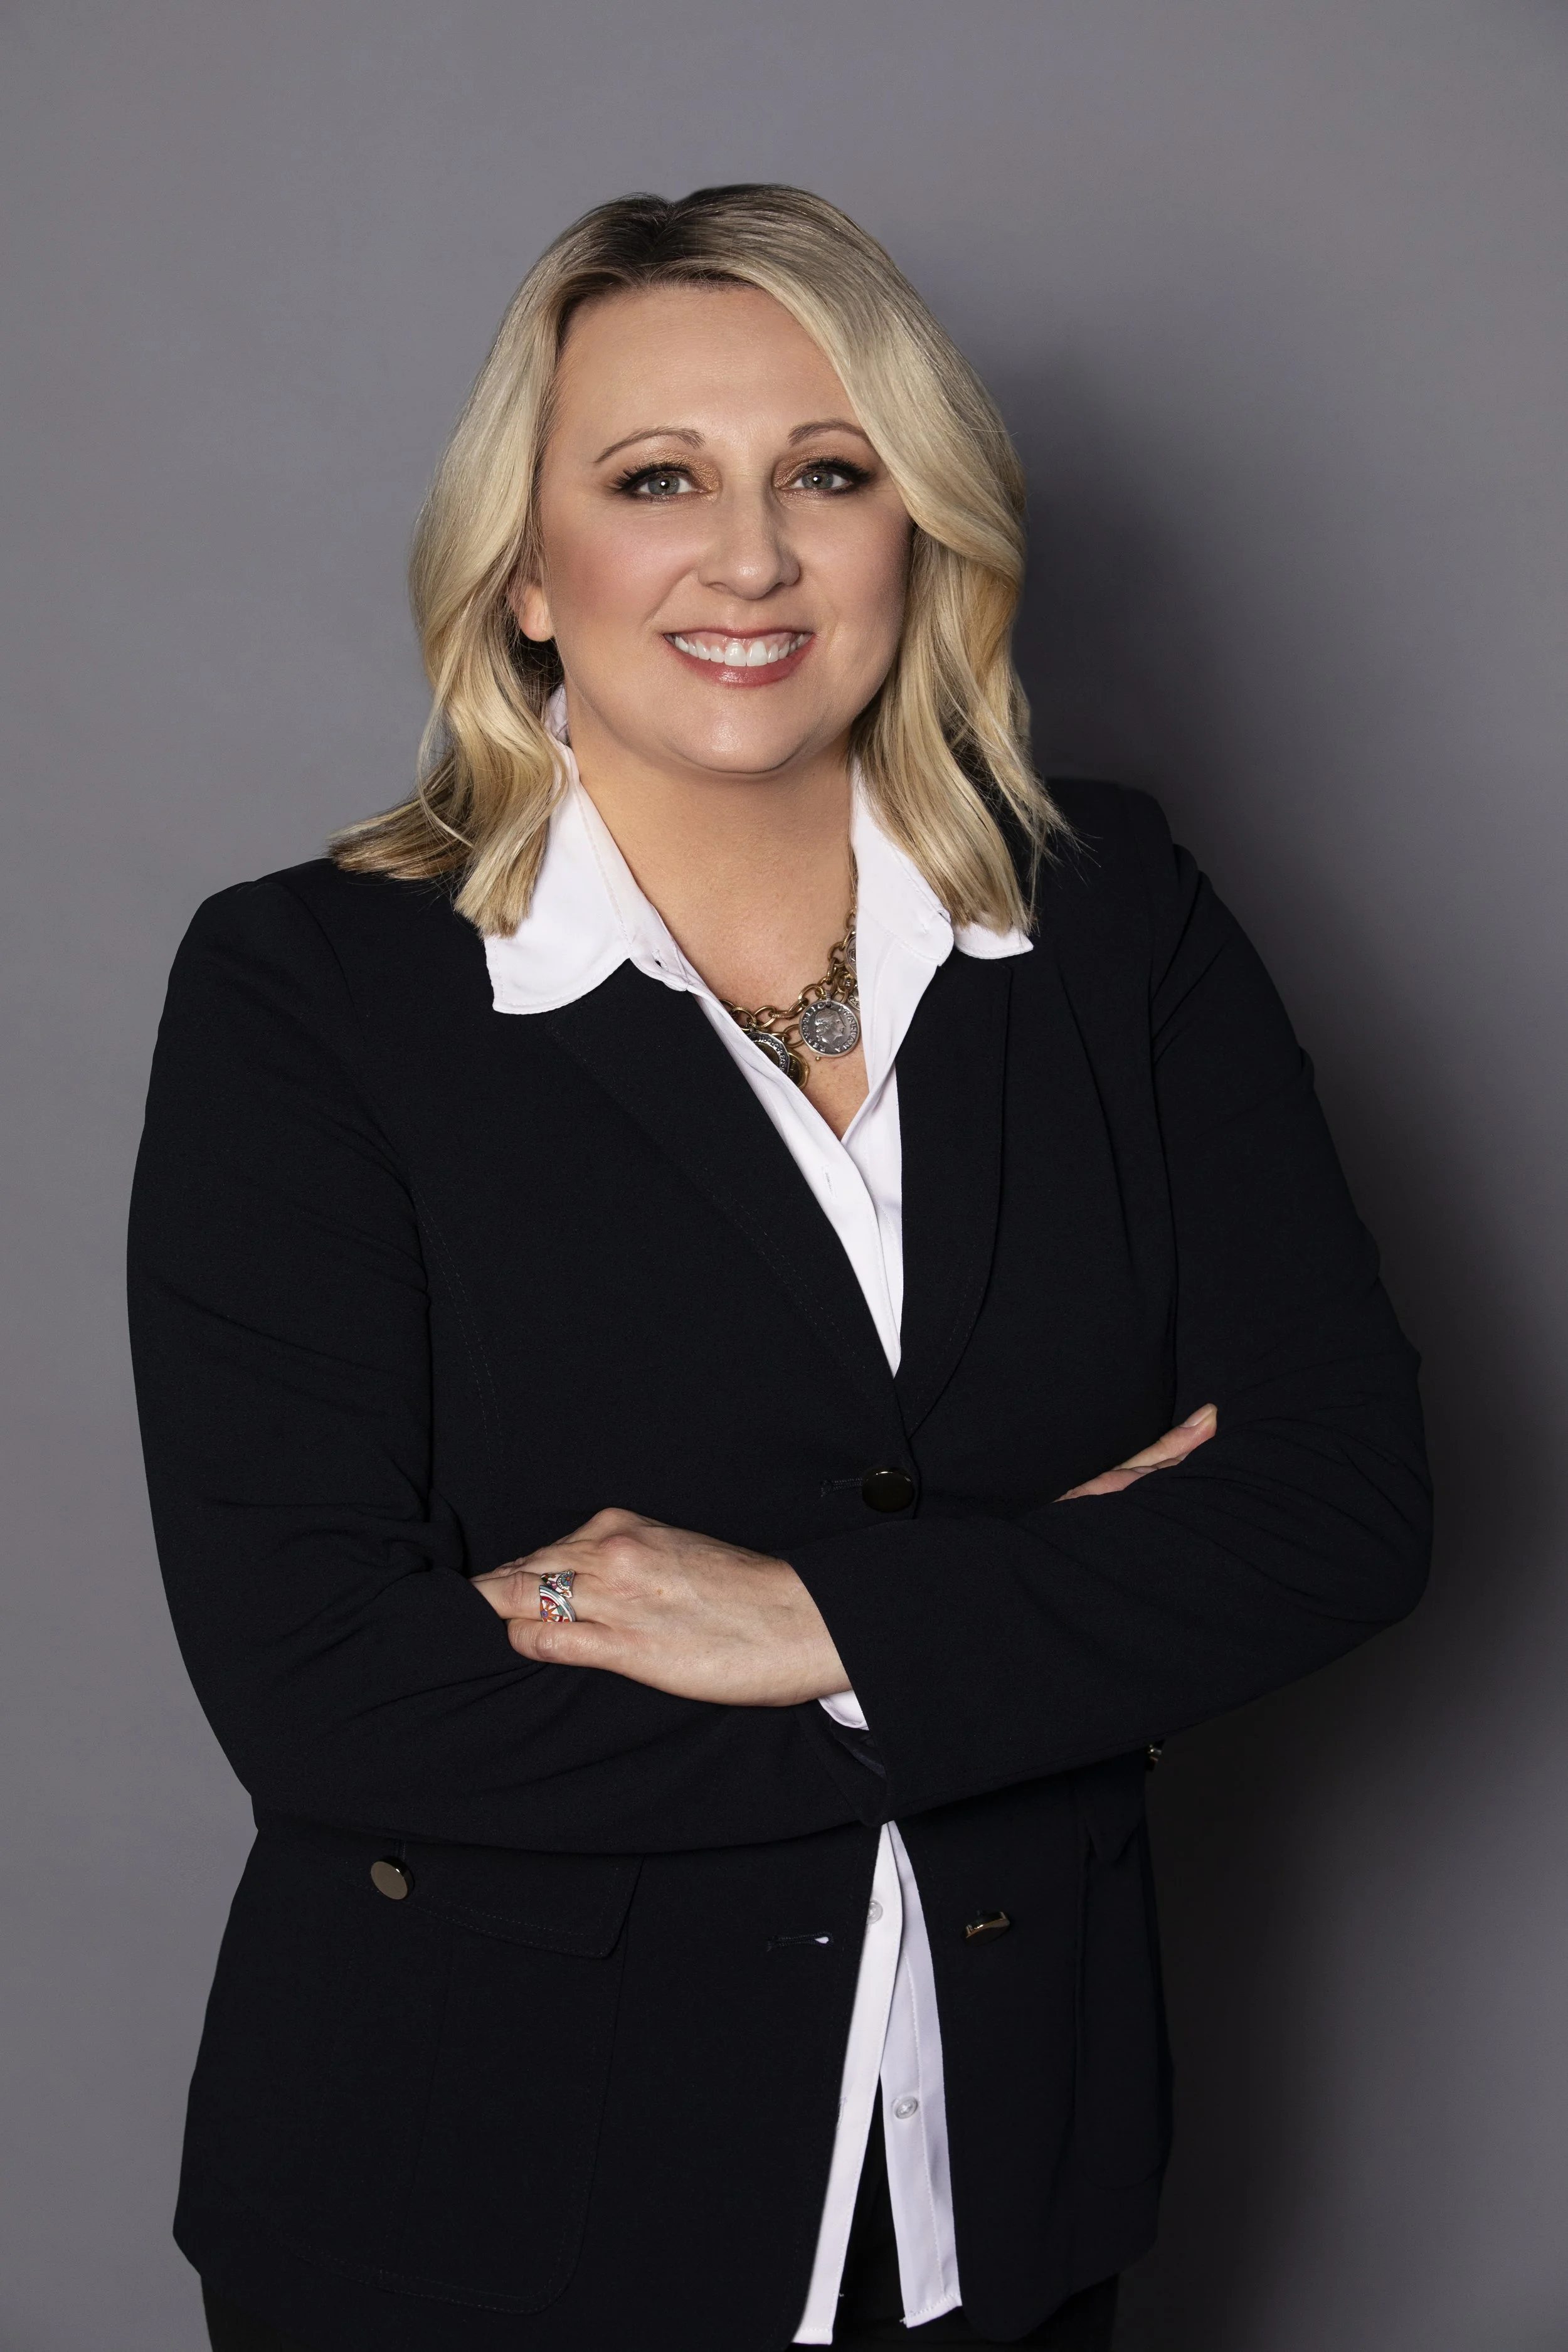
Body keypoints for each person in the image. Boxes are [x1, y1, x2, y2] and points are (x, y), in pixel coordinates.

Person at [127, 184, 1430, 2352]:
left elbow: (1342, 1507)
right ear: (530, 570)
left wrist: (804, 1621)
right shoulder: (311, 993)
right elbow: (323, 1682)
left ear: (915, 533)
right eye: (657, 483)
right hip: (474, 2217)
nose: (748, 558)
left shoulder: (1112, 929)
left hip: (1000, 2191)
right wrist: (1022, 1650)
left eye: (826, 474)